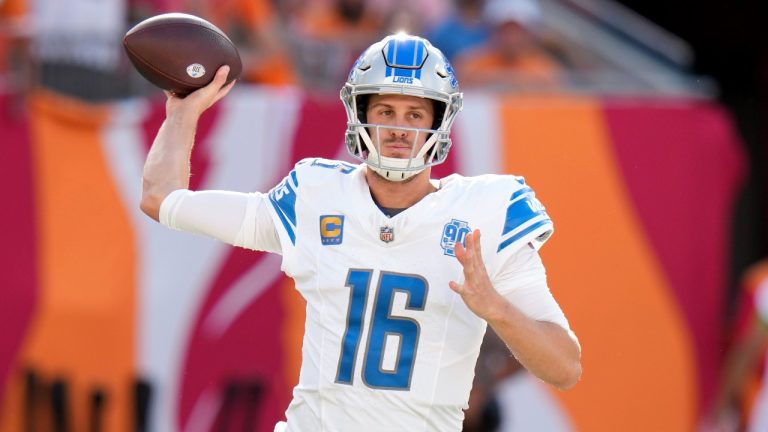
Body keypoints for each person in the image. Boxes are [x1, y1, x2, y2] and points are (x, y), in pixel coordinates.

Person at [139, 33, 581, 431]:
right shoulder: (315, 196)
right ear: (359, 113)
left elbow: (565, 367)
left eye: (415, 113)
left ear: (440, 121)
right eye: (386, 110)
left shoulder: (487, 212)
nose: (399, 128)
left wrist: (497, 309)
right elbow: (161, 199)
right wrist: (182, 111)